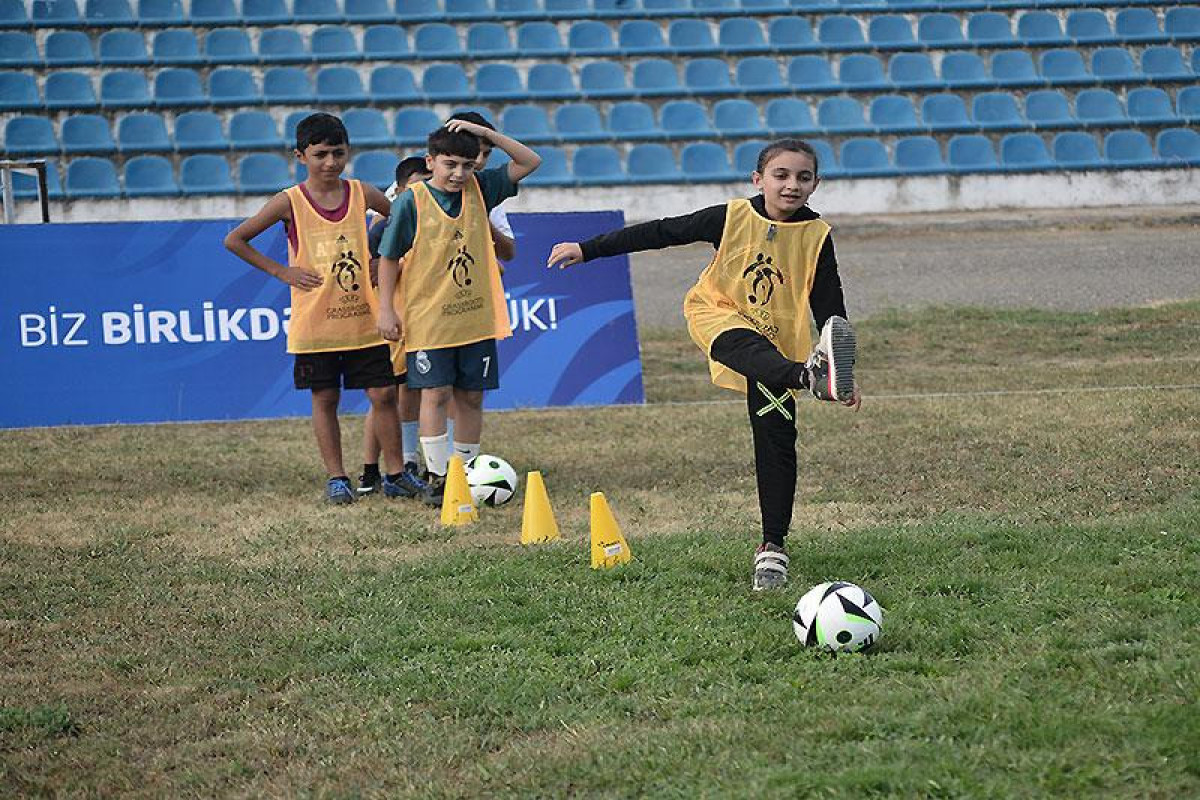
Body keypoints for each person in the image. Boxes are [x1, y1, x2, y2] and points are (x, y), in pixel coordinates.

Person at [547, 138, 860, 591]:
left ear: (815, 184)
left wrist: (845, 371)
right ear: (759, 180)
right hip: (718, 314)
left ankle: (773, 548)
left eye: (803, 177)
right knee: (736, 341)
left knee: (776, 440)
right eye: (781, 175)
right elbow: (660, 232)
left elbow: (831, 310)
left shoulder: (817, 236)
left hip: (778, 349)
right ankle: (807, 376)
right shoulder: (731, 216)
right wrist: (588, 248)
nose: (792, 185)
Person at [223, 112, 424, 504]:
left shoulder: (363, 192)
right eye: (320, 155)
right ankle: (337, 477)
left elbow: (403, 220)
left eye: (338, 153)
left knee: (384, 395)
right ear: (301, 156)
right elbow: (236, 239)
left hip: (364, 320)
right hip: (316, 324)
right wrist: (282, 272)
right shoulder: (289, 201)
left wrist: (383, 257)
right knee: (325, 399)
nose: (330, 162)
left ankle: (396, 473)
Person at [375, 119, 541, 504]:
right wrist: (386, 309)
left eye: (467, 164)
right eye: (450, 164)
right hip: (429, 320)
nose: (459, 173)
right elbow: (387, 258)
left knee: (471, 397)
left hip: (475, 317)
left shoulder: (481, 189)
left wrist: (487, 135)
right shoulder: (410, 201)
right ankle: (439, 477)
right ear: (430, 162)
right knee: (434, 394)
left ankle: (466, 472)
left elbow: (530, 161)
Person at [358, 156, 433, 495]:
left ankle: (404, 462)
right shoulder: (384, 226)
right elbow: (374, 271)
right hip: (392, 320)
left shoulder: (431, 220)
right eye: (413, 188)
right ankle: (373, 469)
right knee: (384, 394)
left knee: (408, 391)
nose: (420, 194)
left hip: (418, 316)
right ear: (399, 190)